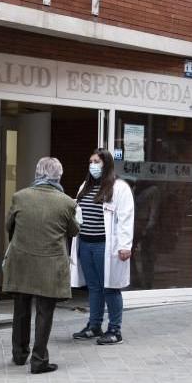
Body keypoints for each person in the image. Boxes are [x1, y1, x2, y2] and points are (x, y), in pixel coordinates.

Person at [3, 157, 79, 374]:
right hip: (50, 265)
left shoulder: (20, 197)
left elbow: (9, 225)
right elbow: (74, 231)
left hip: (22, 262)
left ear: (37, 174)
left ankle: (19, 355)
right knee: (45, 312)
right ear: (58, 176)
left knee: (21, 310)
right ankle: (39, 360)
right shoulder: (66, 202)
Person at [70, 148, 135, 345]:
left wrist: (125, 245)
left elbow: (126, 217)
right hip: (86, 244)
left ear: (106, 164)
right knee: (94, 287)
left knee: (110, 288)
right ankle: (94, 325)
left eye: (97, 162)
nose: (93, 166)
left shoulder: (119, 187)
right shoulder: (85, 186)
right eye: (90, 162)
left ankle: (115, 330)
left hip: (106, 246)